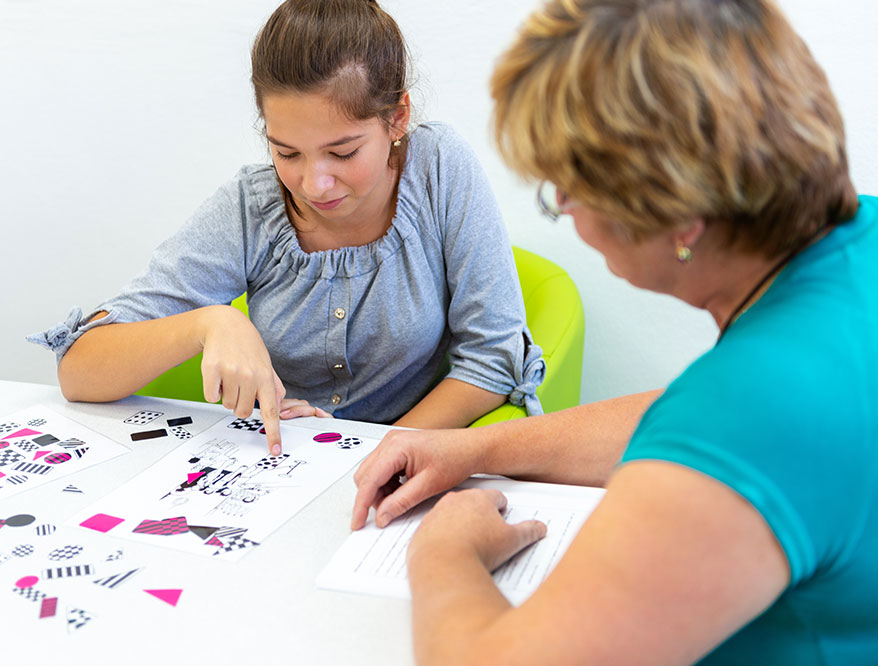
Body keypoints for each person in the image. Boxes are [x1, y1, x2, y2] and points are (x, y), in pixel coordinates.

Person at [350, 0, 878, 663]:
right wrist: (472, 449)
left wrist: (443, 552)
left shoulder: (754, 412)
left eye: (564, 193)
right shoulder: (859, 246)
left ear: (675, 211)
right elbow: (688, 423)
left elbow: (733, 429)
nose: (565, 215)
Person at [28, 0, 545, 456]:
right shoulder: (250, 207)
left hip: (417, 463)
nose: (314, 184)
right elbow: (79, 372)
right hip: (283, 472)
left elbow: (493, 359)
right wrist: (210, 323)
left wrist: (371, 457)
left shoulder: (438, 168)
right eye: (286, 152)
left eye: (343, 152)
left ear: (397, 118)